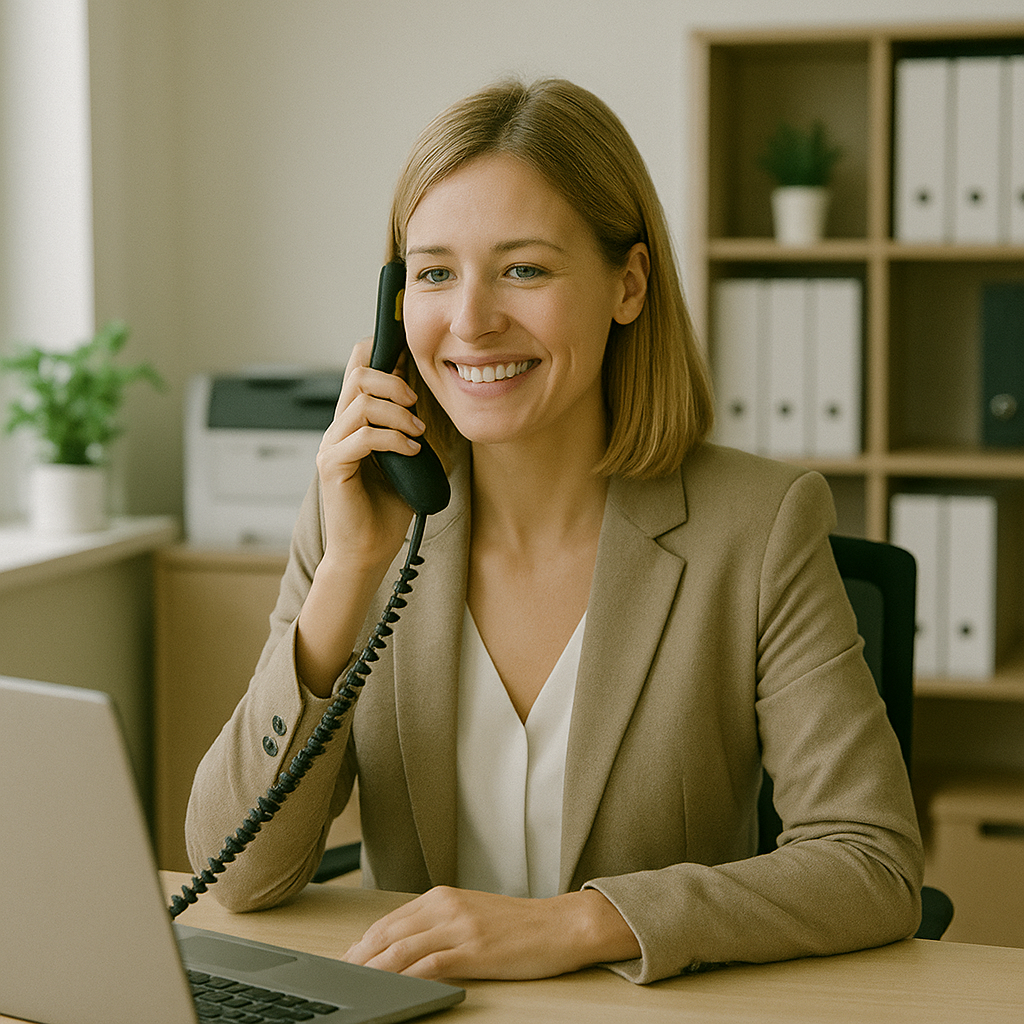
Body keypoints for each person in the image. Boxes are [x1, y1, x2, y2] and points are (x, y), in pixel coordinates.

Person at [185, 77, 923, 986]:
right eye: (433, 273)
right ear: (392, 309)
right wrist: (347, 576)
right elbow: (239, 874)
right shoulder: (359, 522)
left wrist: (580, 924)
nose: (470, 321)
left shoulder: (758, 525)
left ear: (629, 283)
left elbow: (872, 861)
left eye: (524, 269)